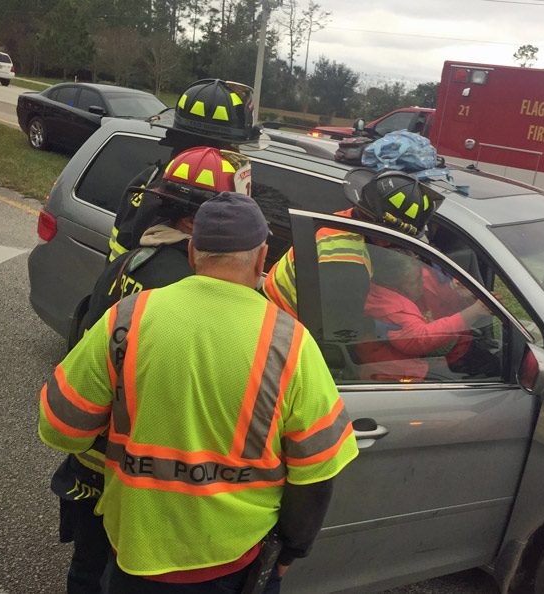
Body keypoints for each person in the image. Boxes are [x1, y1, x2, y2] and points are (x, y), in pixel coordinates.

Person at [39, 193, 359, 593]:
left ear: (192, 252)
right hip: (234, 563)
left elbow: (60, 428)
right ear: (262, 259)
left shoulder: (129, 317)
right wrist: (291, 551)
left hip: (135, 555)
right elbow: (316, 473)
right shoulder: (291, 344)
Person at [50, 145, 252, 594]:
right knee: (118, 573)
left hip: (90, 459)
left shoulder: (130, 260)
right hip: (132, 475)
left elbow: (82, 343)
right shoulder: (186, 292)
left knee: (86, 569)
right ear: (191, 223)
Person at [262, 167, 440, 340]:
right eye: (398, 238)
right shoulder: (347, 266)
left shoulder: (345, 220)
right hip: (284, 332)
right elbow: (340, 335)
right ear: (386, 236)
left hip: (273, 312)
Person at [108, 78, 258, 262]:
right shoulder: (190, 201)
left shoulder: (148, 179)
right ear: (212, 149)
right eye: (234, 147)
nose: (237, 154)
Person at [362, 248, 494, 381]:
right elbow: (420, 340)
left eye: (421, 277)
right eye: (415, 281)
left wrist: (463, 295)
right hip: (407, 373)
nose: (422, 284)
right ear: (395, 286)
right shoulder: (390, 308)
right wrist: (474, 311)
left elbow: (437, 294)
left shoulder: (409, 280)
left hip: (444, 354)